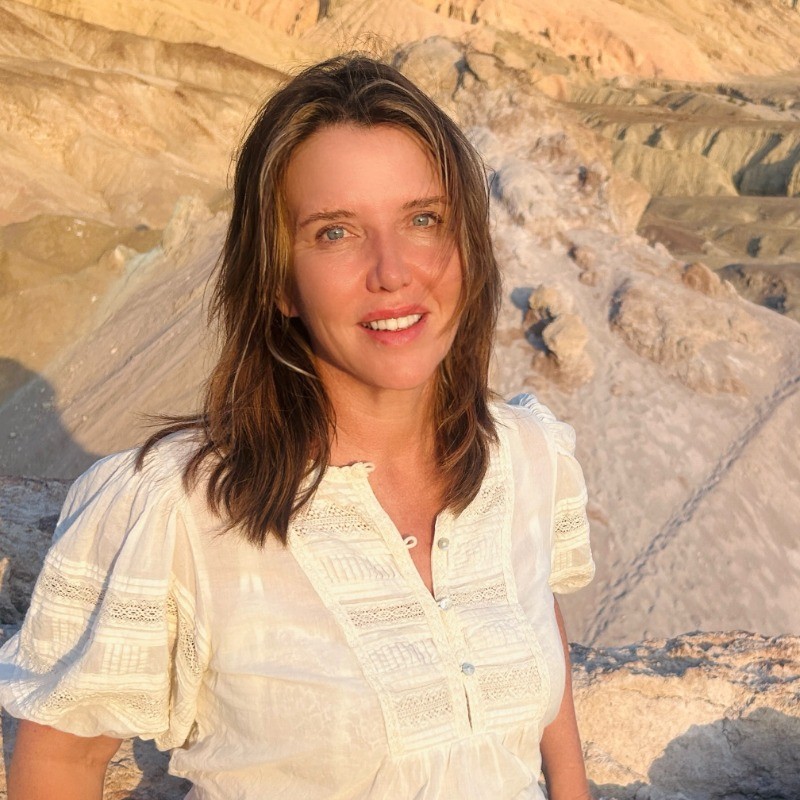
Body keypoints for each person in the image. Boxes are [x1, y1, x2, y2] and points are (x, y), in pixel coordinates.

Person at [0, 55, 595, 799]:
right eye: (336, 233)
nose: (393, 270)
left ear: (467, 246)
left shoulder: (527, 460)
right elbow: (60, 763)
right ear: (279, 281)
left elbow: (534, 611)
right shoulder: (179, 511)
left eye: (422, 219)